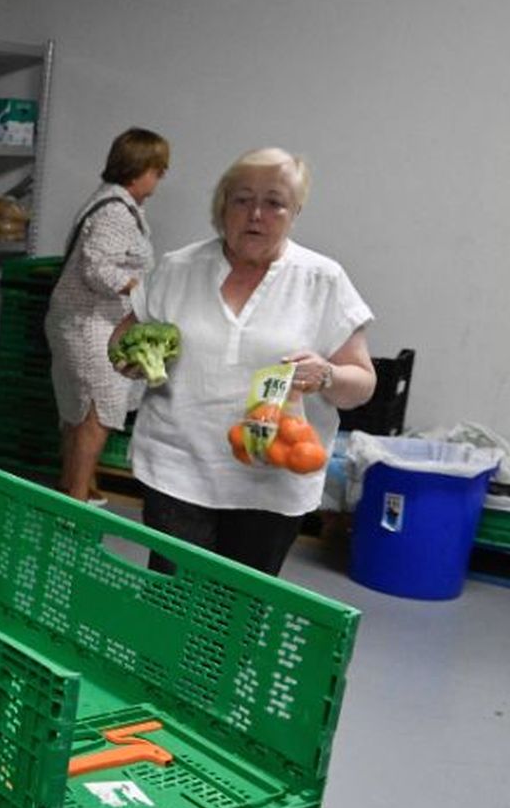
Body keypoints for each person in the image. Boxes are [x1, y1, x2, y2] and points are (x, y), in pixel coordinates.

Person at [113, 147, 376, 576]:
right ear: (222, 205)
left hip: (272, 480)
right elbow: (124, 335)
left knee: (242, 610)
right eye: (242, 199)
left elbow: (362, 383)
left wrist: (327, 375)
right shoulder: (178, 268)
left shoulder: (323, 279)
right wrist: (130, 359)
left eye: (274, 202)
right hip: (178, 468)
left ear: (295, 212)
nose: (256, 213)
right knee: (173, 601)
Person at [44, 127, 169, 504]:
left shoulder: (114, 203)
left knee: (80, 410)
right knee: (96, 412)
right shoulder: (116, 211)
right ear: (139, 168)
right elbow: (96, 268)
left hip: (85, 321)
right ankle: (77, 500)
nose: (160, 179)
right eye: (158, 170)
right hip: (90, 324)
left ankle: (71, 487)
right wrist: (139, 289)